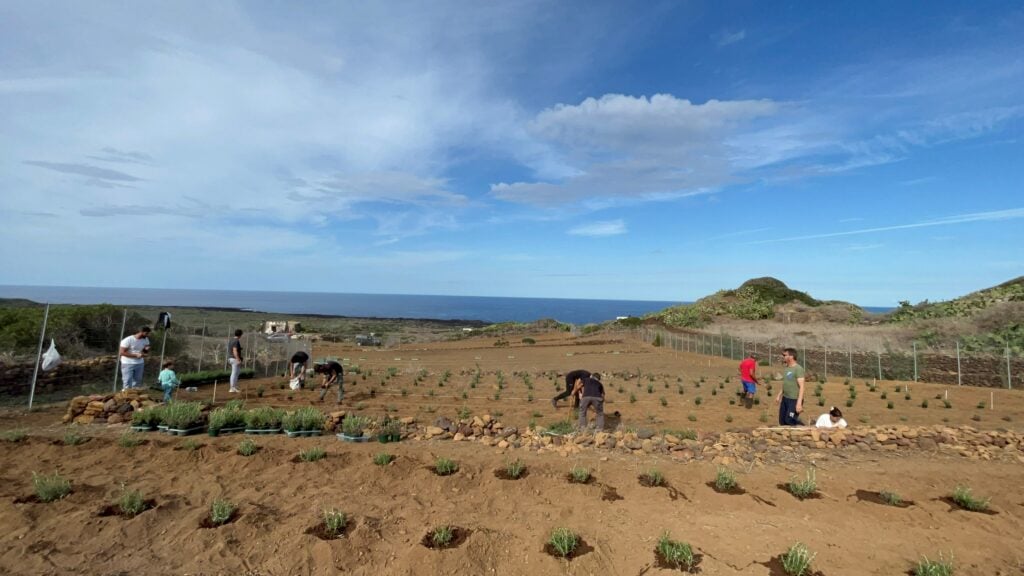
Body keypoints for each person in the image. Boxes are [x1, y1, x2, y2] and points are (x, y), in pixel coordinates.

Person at [775, 347, 806, 426]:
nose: (783, 357)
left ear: (791, 356)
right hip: (785, 398)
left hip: (794, 400)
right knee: (782, 421)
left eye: (785, 355)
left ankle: (801, 427)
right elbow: (786, 384)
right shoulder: (787, 368)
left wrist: (799, 403)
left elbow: (802, 387)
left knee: (789, 420)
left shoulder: (798, 369)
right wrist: (779, 395)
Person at [118, 326, 152, 390]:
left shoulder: (146, 339)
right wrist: (136, 355)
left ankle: (135, 396)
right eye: (147, 333)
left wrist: (146, 350)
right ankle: (125, 396)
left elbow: (146, 349)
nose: (148, 335)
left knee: (137, 382)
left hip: (139, 363)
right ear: (141, 332)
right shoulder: (128, 340)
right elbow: (122, 353)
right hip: (127, 363)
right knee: (127, 381)